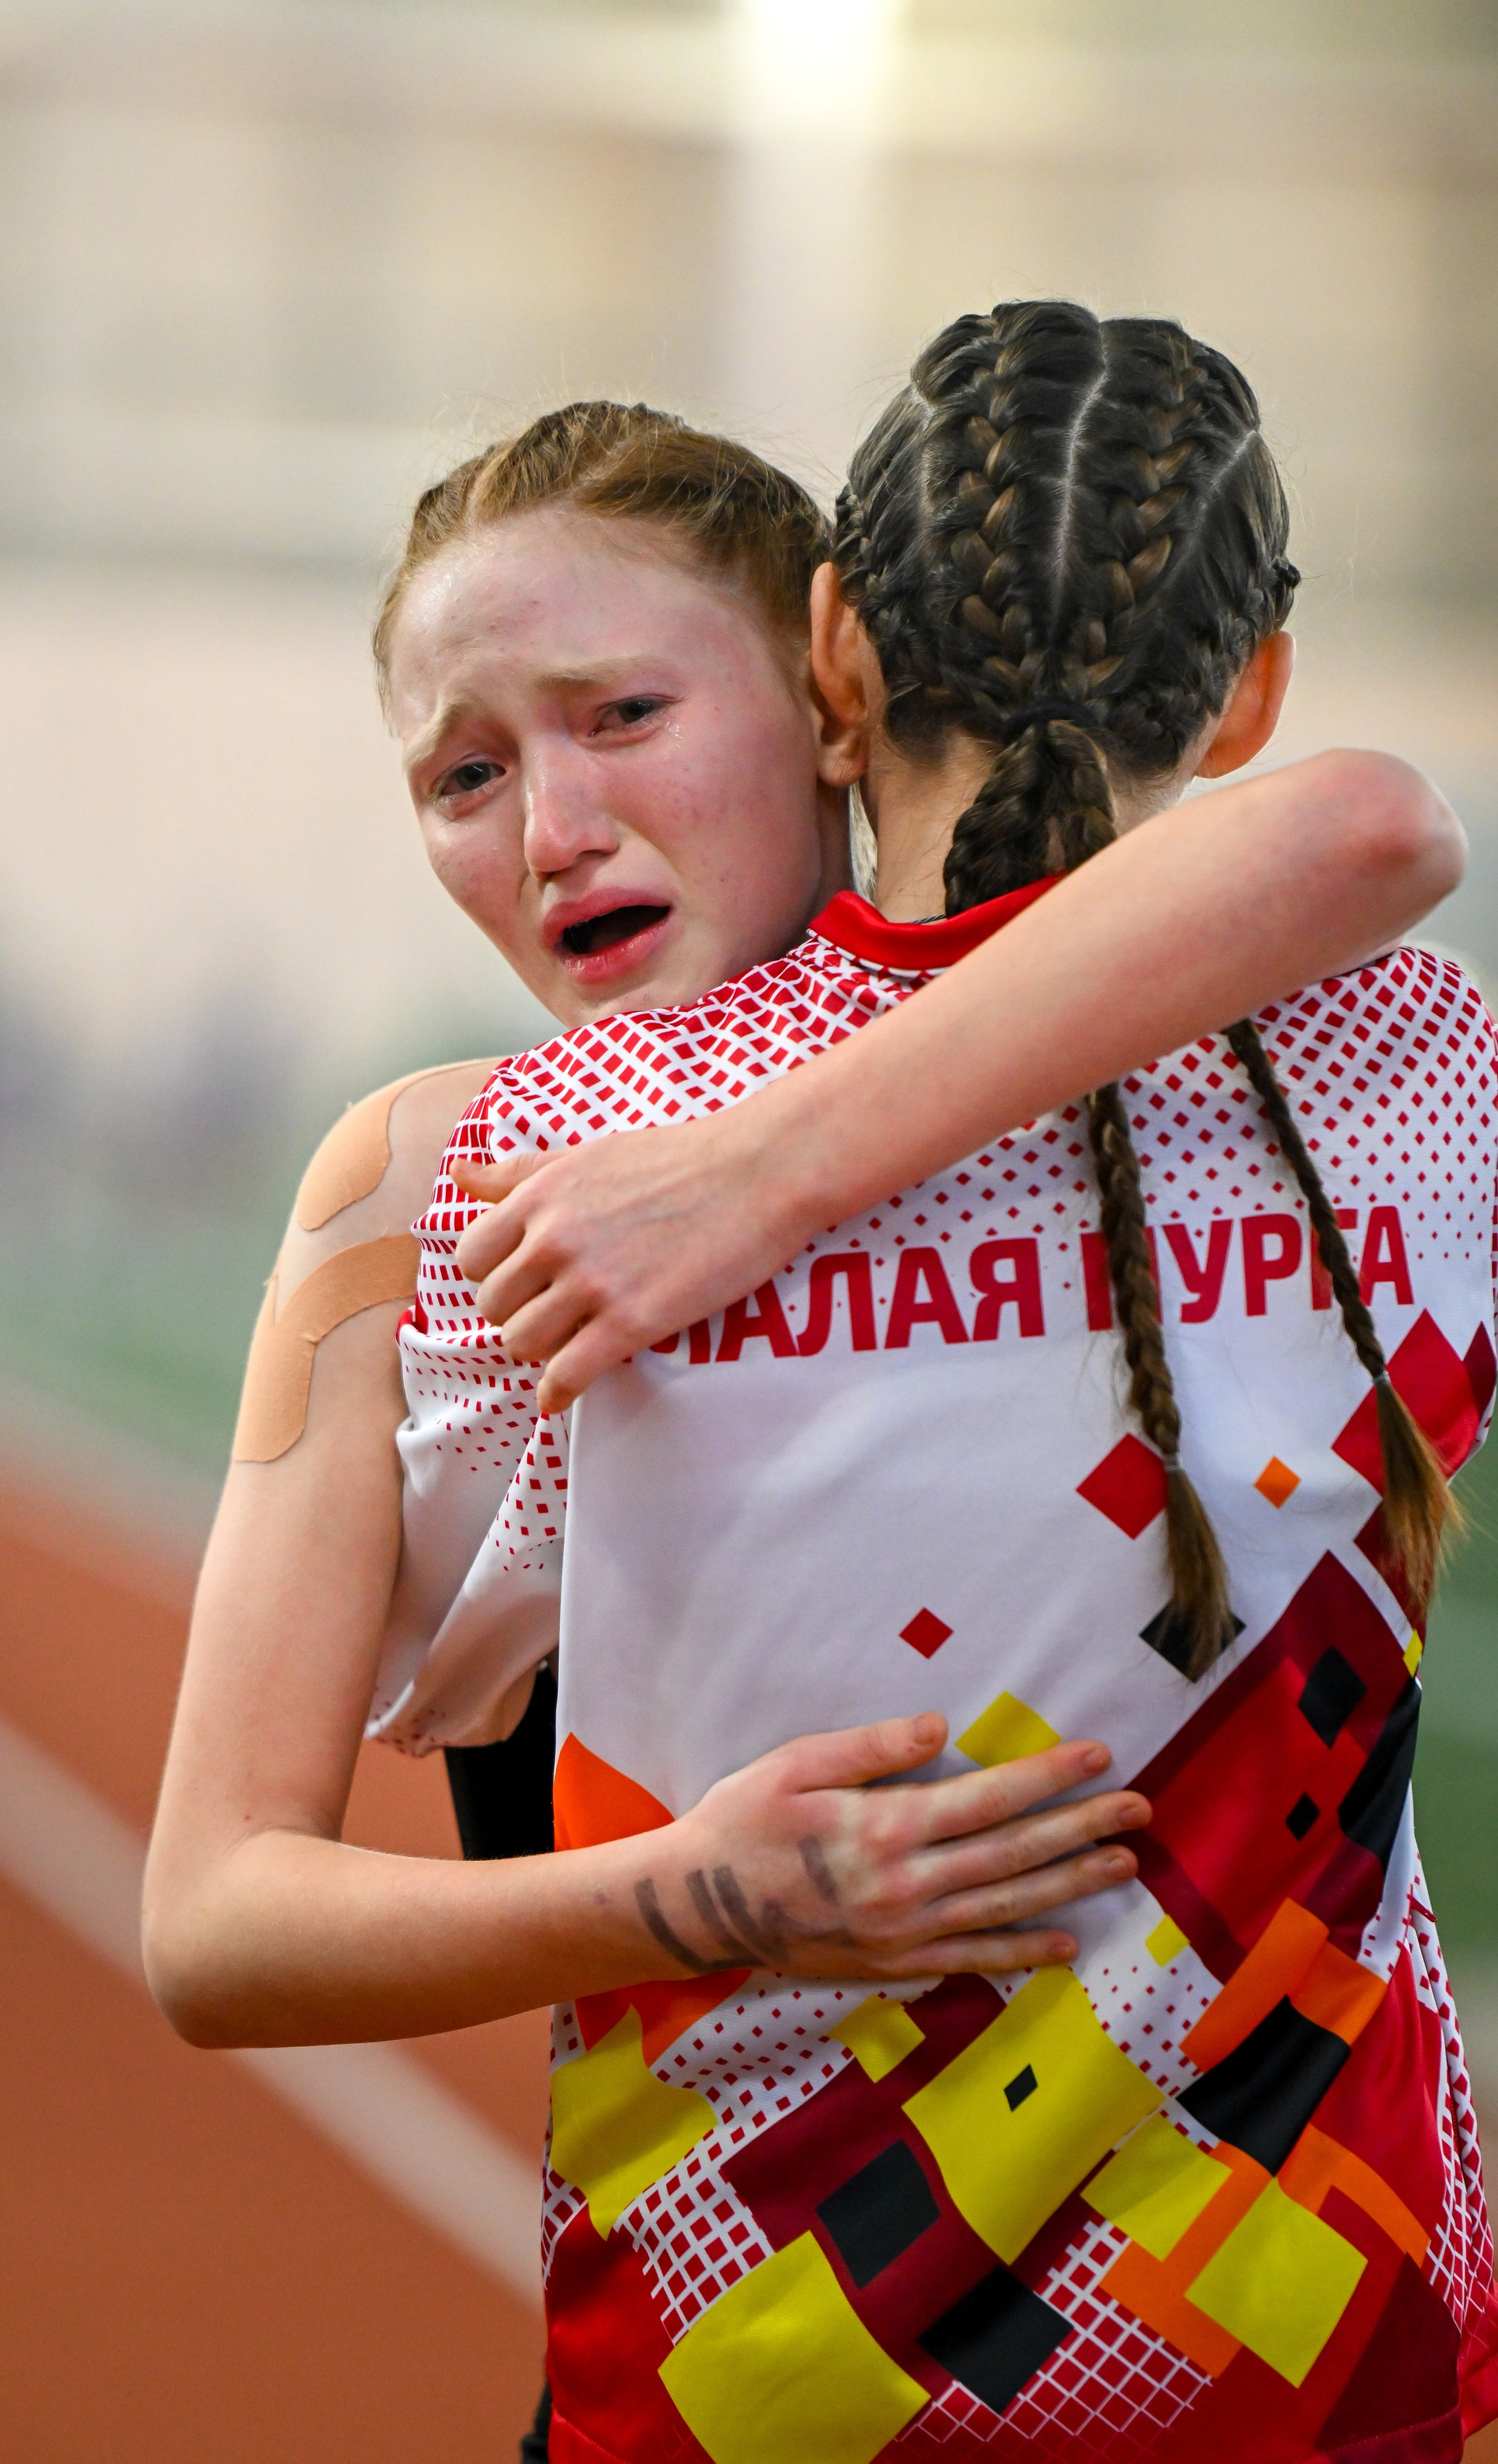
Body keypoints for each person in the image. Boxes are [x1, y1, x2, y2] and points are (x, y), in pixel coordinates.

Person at [139, 369, 1471, 2459]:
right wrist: (718, 1885)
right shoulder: (443, 1190)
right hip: (858, 2351)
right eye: (464, 772)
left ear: (831, 681)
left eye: (622, 717)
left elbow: (1364, 832)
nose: (552, 827)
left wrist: (770, 1168)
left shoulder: (530, 1162)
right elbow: (212, 1914)